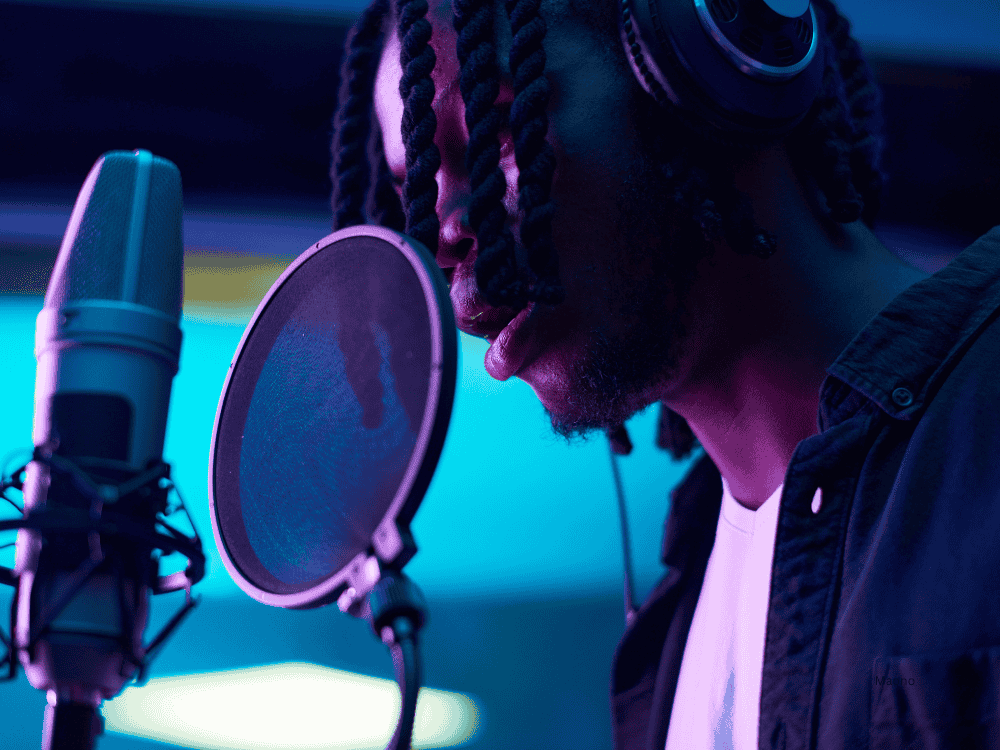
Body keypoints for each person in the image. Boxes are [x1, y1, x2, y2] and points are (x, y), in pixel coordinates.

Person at [331, 0, 1000, 748]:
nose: (446, 231)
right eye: (416, 188)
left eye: (500, 135)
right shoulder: (667, 643)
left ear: (708, 66)